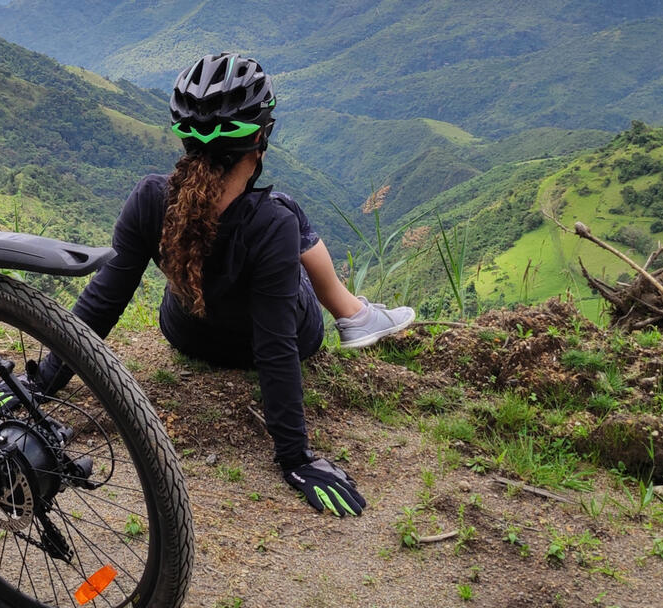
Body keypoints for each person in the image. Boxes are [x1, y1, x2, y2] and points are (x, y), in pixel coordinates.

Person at [28, 52, 416, 516]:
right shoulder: (273, 225)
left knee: (279, 218)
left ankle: (355, 315)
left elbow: (102, 302)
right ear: (261, 142)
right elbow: (276, 347)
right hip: (265, 342)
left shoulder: (151, 199)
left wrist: (39, 387)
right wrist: (296, 458)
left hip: (188, 335)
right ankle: (353, 315)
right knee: (286, 209)